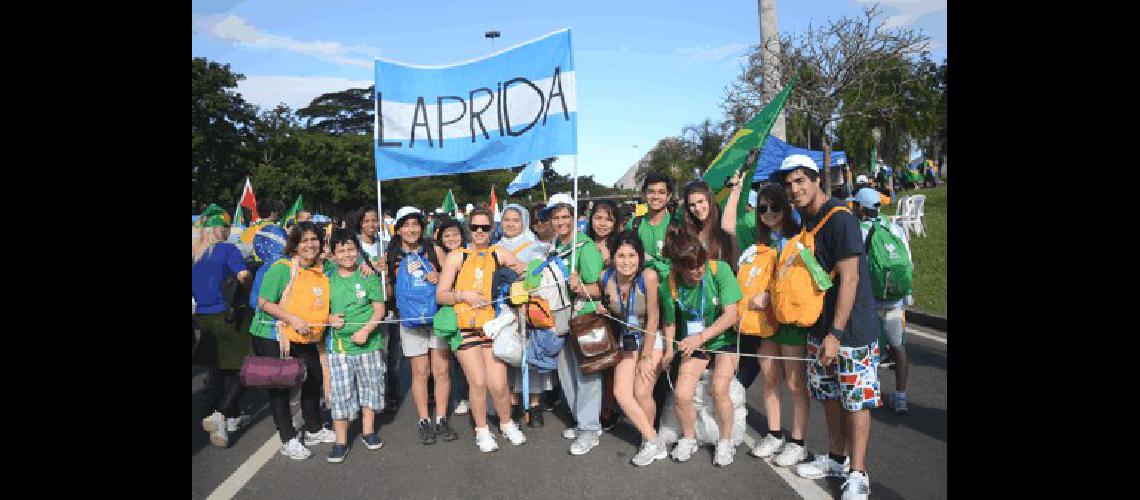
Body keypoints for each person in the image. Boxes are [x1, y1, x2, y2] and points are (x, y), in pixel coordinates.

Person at [772, 155, 881, 500]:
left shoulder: (840, 218)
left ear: (817, 179)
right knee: (830, 397)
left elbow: (850, 278)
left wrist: (835, 334)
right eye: (789, 184)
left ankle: (858, 473)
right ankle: (836, 459)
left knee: (855, 401)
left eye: (801, 181)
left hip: (851, 330)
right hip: (820, 329)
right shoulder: (806, 219)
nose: (795, 189)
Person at [435, 207, 529, 452]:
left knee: (498, 384)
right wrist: (463, 295)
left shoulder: (499, 253)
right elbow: (441, 295)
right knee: (477, 382)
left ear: (492, 229)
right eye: (475, 227)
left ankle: (506, 423)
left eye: (485, 227)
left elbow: (525, 271)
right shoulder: (457, 256)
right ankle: (482, 430)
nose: (479, 232)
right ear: (469, 228)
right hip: (465, 328)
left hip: (492, 328)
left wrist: (521, 272)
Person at [736, 185, 813, 467]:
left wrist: (773, 293)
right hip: (764, 320)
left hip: (790, 319)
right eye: (763, 208)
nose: (769, 213)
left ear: (786, 207)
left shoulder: (799, 237)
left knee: (794, 383)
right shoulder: (759, 240)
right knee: (769, 378)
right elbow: (727, 223)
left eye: (774, 207)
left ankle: (798, 442)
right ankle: (774, 433)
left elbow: (810, 278)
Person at [248, 221, 335, 460]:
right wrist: (292, 318)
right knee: (281, 386)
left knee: (314, 376)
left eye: (314, 239)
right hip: (271, 333)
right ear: (294, 244)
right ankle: (287, 438)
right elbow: (263, 302)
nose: (310, 245)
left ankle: (314, 428)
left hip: (303, 333)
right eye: (304, 240)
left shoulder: (320, 268)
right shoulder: (281, 268)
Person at [660, 231, 742, 467]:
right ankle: (688, 438)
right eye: (691, 267)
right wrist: (668, 350)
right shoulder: (670, 284)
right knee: (682, 394)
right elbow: (670, 322)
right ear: (678, 267)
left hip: (723, 338)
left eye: (701, 263)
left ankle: (725, 442)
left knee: (719, 389)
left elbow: (731, 315)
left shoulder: (720, 270)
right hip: (694, 341)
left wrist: (701, 337)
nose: (698, 270)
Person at [595, 231, 669, 466]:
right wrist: (603, 308)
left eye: (632, 255)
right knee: (621, 394)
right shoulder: (605, 278)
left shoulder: (648, 276)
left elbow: (654, 317)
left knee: (641, 392)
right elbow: (601, 300)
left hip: (651, 337)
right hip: (627, 340)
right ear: (613, 257)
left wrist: (647, 356)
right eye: (621, 255)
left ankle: (647, 441)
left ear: (640, 256)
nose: (627, 261)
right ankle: (653, 440)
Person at [385, 207, 457, 445]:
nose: (411, 229)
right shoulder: (391, 254)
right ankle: (424, 420)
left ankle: (441, 418)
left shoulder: (434, 250)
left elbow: (452, 277)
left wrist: (439, 275)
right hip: (409, 320)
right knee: (420, 372)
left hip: (437, 318)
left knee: (442, 371)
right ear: (398, 229)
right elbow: (387, 289)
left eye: (415, 224)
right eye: (406, 225)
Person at [542, 193, 607, 455]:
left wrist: (580, 286)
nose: (560, 221)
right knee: (566, 373)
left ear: (573, 217)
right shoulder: (553, 246)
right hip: (560, 317)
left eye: (565, 216)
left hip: (583, 318)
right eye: (556, 217)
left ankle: (591, 429)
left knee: (587, 373)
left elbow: (599, 289)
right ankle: (582, 422)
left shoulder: (586, 247)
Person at [324, 229, 387, 463]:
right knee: (341, 393)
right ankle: (340, 440)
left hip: (369, 345)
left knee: (371, 387)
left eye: (351, 249)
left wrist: (365, 330)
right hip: (339, 348)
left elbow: (379, 309)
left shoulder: (368, 275)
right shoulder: (327, 277)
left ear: (358, 251)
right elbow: (319, 308)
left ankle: (368, 431)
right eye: (341, 250)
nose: (347, 254)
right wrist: (328, 318)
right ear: (333, 254)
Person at [193, 204, 253, 448]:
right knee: (244, 367)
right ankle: (223, 414)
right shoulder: (228, 250)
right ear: (220, 228)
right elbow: (243, 276)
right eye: (227, 226)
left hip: (203, 319)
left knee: (217, 368)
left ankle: (220, 415)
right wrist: (250, 292)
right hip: (228, 316)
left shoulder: (195, 253)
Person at [849, 188, 913, 415]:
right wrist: (907, 296)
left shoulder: (858, 229)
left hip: (870, 300)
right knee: (898, 347)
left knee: (871, 347)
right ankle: (901, 396)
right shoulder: (893, 227)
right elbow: (908, 261)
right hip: (895, 299)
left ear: (860, 208)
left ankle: (873, 390)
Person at [493, 203, 554, 428]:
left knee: (530, 355)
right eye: (506, 219)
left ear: (524, 222)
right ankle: (513, 401)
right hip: (504, 308)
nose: (510, 224)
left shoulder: (535, 245)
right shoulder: (495, 246)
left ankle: (534, 404)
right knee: (508, 354)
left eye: (515, 220)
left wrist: (526, 269)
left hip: (529, 307)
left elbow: (541, 271)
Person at [585, 200, 623, 431]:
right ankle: (591, 408)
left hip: (615, 312)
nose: (602, 223)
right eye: (598, 218)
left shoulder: (620, 245)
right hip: (589, 312)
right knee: (593, 361)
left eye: (608, 219)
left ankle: (610, 406)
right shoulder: (583, 244)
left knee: (611, 362)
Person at [625, 172, 676, 280]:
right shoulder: (634, 224)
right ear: (644, 194)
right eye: (651, 192)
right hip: (640, 289)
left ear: (668, 196)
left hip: (671, 289)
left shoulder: (677, 225)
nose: (655, 197)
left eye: (661, 192)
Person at [680, 180, 738, 268]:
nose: (697, 208)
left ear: (710, 200)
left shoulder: (725, 227)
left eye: (700, 201)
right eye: (692, 205)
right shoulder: (687, 230)